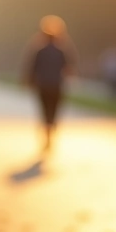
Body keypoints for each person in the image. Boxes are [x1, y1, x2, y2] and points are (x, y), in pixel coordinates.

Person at [24, 16, 76, 153]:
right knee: (54, 111)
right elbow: (69, 68)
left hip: (43, 85)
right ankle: (51, 133)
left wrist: (29, 80)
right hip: (56, 85)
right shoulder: (62, 50)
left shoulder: (39, 50)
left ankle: (47, 134)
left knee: (45, 111)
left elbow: (32, 68)